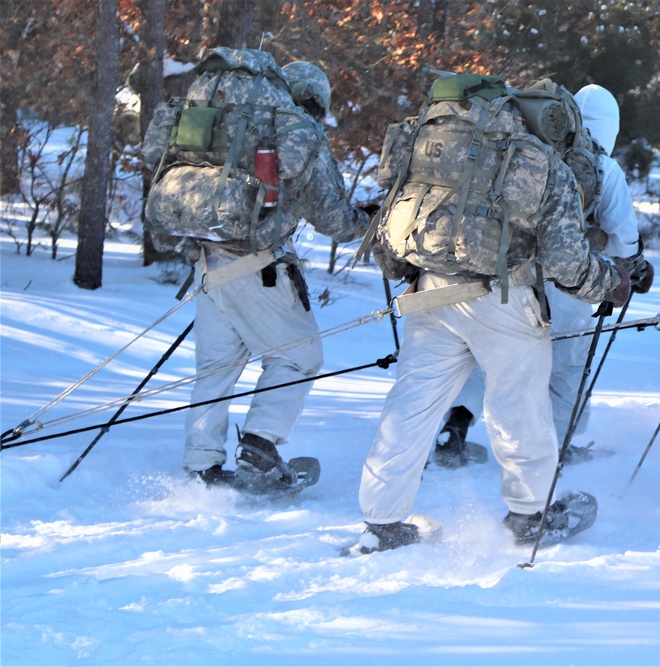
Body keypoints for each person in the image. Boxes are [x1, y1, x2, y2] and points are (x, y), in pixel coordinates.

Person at [356, 74, 631, 553]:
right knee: (518, 408)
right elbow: (566, 261)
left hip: (430, 291)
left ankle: (381, 523)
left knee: (410, 408)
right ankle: (530, 516)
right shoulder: (542, 162)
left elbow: (390, 213)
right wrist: (609, 284)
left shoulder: (443, 147)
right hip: (505, 299)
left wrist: (403, 270)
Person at [170, 56, 369, 492]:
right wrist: (366, 222)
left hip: (208, 259)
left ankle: (202, 464)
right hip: (257, 267)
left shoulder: (233, 126)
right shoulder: (297, 132)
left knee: (216, 368)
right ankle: (260, 450)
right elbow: (333, 217)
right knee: (300, 356)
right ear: (316, 100)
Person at [432, 83, 652, 468]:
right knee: (566, 364)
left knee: (494, 356)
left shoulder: (528, 148)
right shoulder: (603, 166)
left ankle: (457, 425)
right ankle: (557, 448)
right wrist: (632, 267)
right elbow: (621, 235)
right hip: (572, 283)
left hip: (510, 278)